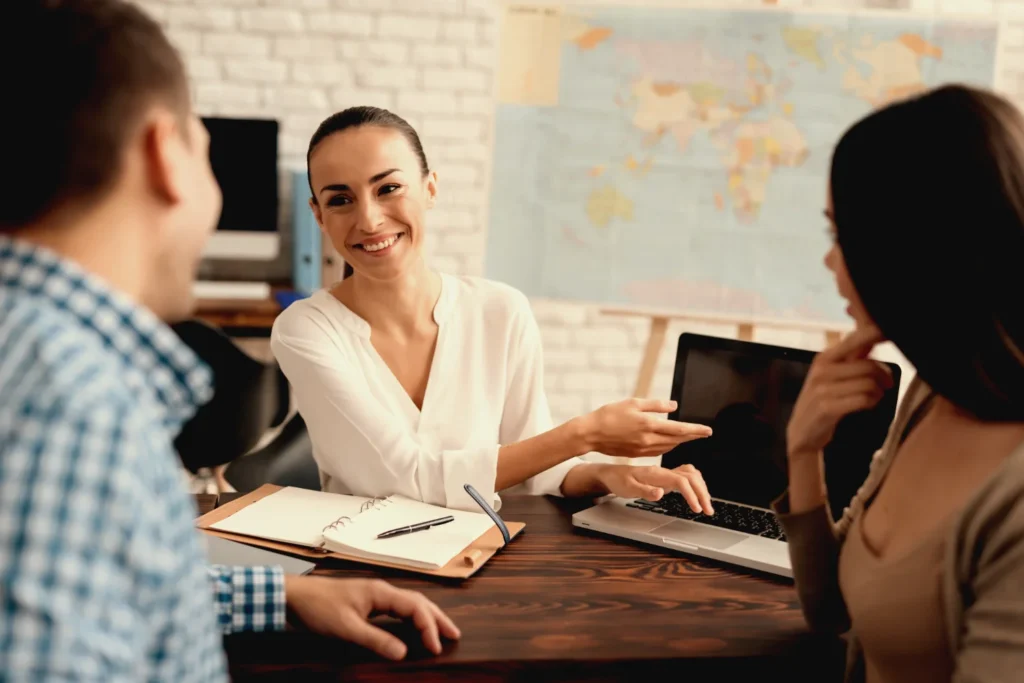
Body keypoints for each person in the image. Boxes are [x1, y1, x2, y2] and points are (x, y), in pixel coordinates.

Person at [0, 2, 457, 679]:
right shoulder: (70, 404)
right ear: (165, 153)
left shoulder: (36, 356)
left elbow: (106, 589)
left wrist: (282, 593)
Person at [271, 106, 717, 515]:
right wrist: (584, 433)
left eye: (388, 188)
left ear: (430, 189)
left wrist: (612, 475)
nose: (368, 220)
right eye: (340, 199)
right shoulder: (306, 330)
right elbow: (406, 482)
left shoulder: (500, 311)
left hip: (483, 565)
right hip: (360, 576)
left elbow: (535, 468)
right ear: (318, 215)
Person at [775, 84, 1024, 683]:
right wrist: (803, 451)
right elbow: (832, 610)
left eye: (840, 236)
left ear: (910, 249)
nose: (830, 263)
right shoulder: (932, 393)